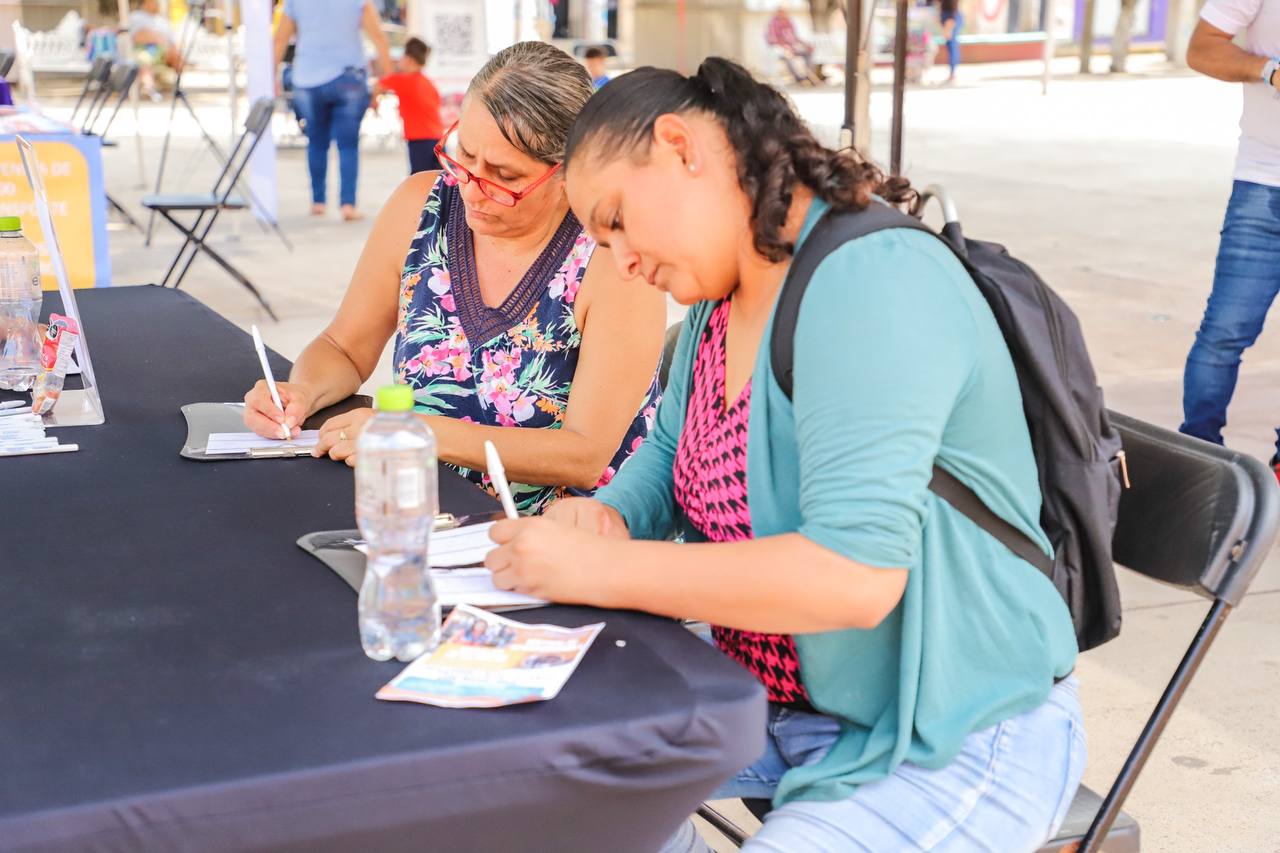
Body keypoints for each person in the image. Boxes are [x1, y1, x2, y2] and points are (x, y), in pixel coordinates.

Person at [484, 58, 1085, 850]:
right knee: (517, 785)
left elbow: (853, 576)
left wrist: (600, 570)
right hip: (775, 703)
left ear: (680, 146)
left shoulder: (873, 281)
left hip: (953, 725)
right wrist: (605, 515)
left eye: (617, 220)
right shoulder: (724, 294)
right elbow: (669, 449)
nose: (621, 261)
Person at [243, 42, 665, 515]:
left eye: (503, 175)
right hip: (432, 506)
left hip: (571, 531)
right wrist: (302, 394)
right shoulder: (420, 207)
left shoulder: (614, 256)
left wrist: (419, 432)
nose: (471, 187)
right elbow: (344, 347)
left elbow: (586, 456)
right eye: (464, 154)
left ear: (568, 172)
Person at [1181, 0, 1280, 479]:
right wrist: (1268, 70)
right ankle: (1198, 457)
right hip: (1264, 186)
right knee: (1223, 334)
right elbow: (1202, 49)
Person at [273, 0, 392, 221]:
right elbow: (379, 38)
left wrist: (272, 77)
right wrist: (385, 79)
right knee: (348, 145)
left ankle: (318, 202)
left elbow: (280, 38)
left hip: (308, 79)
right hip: (348, 76)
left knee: (316, 141)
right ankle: (348, 205)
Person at [374, 37, 444, 175]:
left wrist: (374, 102)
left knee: (419, 182)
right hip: (439, 140)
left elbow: (379, 86)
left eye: (401, 57)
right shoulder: (428, 83)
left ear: (408, 59)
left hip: (420, 141)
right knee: (439, 182)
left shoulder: (402, 80)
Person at [129, 0, 182, 101]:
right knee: (144, 59)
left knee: (176, 55)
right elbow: (137, 36)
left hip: (163, 51)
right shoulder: (136, 16)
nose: (156, 5)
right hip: (143, 49)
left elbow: (172, 41)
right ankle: (148, 88)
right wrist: (157, 38)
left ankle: (177, 86)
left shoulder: (163, 21)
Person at [766, 6, 818, 85]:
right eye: (781, 12)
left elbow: (795, 37)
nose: (783, 14)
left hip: (792, 46)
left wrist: (805, 44)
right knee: (788, 56)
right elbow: (773, 40)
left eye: (784, 12)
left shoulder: (789, 22)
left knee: (807, 52)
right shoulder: (773, 23)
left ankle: (808, 75)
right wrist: (786, 46)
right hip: (779, 47)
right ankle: (798, 78)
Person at [938, 0, 963, 83]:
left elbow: (953, 7)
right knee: (950, 46)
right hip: (948, 17)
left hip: (951, 18)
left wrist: (949, 23)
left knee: (952, 46)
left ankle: (952, 72)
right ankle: (952, 72)